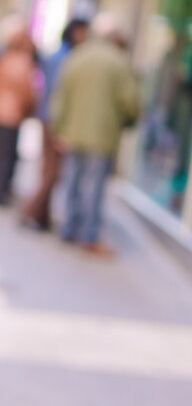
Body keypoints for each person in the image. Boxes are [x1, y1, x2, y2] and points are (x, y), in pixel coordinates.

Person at [51, 15, 139, 257]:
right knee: (95, 187)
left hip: (74, 132)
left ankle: (69, 228)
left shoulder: (77, 57)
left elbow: (61, 96)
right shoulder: (118, 62)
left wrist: (59, 128)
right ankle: (88, 236)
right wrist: (128, 122)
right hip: (102, 136)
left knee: (74, 181)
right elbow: (131, 102)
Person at [20, 18, 89, 230]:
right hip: (56, 120)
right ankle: (30, 211)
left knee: (48, 169)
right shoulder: (69, 58)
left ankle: (41, 215)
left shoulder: (56, 56)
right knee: (53, 171)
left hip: (47, 116)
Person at [0, 24, 38, 204]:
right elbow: (28, 91)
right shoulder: (24, 62)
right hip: (13, 113)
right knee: (7, 154)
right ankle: (0, 191)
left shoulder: (2, 58)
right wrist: (30, 108)